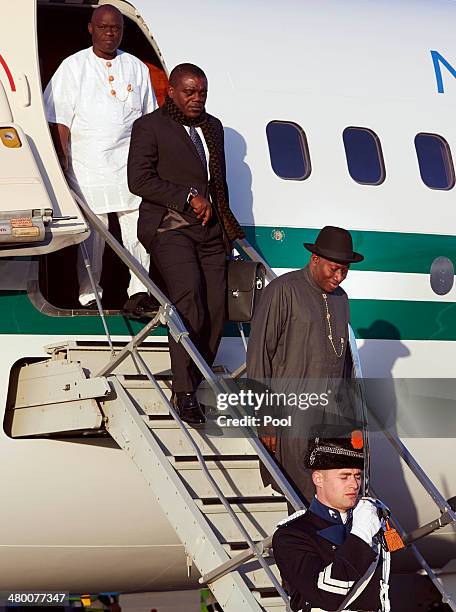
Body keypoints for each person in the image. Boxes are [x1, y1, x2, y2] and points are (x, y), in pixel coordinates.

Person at [127, 63, 244, 424]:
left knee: (216, 309)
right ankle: (184, 391)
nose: (197, 99)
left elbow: (219, 184)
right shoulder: (150, 127)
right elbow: (139, 180)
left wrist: (230, 230)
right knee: (189, 298)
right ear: (172, 92)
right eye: (190, 92)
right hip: (169, 226)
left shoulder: (212, 127)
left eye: (202, 93)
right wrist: (187, 196)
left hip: (210, 232)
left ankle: (199, 377)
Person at [44, 4, 157, 315]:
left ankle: (140, 292)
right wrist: (63, 163)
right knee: (94, 233)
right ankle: (89, 294)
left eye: (116, 28)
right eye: (104, 27)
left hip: (128, 166)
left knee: (136, 229)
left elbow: (150, 121)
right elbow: (59, 120)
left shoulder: (137, 68)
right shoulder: (74, 66)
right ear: (91, 29)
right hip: (86, 166)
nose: (110, 33)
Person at [247, 226, 364, 503]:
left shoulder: (341, 299)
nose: (339, 277)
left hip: (332, 416)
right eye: (334, 269)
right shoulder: (283, 290)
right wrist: (266, 419)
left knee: (333, 496)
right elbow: (258, 356)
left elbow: (343, 362)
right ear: (315, 260)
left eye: (344, 271)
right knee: (300, 496)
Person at [272, 427, 391, 612]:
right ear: (318, 479)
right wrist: (360, 535)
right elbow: (325, 595)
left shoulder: (368, 519)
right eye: (344, 476)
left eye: (357, 476)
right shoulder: (292, 535)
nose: (354, 484)